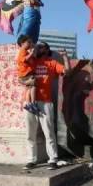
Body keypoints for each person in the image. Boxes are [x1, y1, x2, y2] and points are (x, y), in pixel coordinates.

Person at [23, 42, 72, 170]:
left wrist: (65, 57)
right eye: (37, 46)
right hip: (29, 102)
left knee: (49, 132)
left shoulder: (52, 63)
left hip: (46, 102)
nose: (38, 48)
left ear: (46, 50)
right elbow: (20, 76)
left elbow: (67, 72)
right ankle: (31, 160)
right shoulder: (31, 61)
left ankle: (53, 159)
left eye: (41, 46)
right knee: (30, 133)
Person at [16, 35, 40, 114]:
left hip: (25, 75)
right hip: (25, 75)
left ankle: (28, 104)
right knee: (33, 86)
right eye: (28, 42)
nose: (30, 44)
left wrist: (34, 49)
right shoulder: (22, 51)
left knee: (29, 89)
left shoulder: (25, 51)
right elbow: (24, 59)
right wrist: (31, 52)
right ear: (22, 44)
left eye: (30, 42)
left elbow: (34, 57)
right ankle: (33, 103)